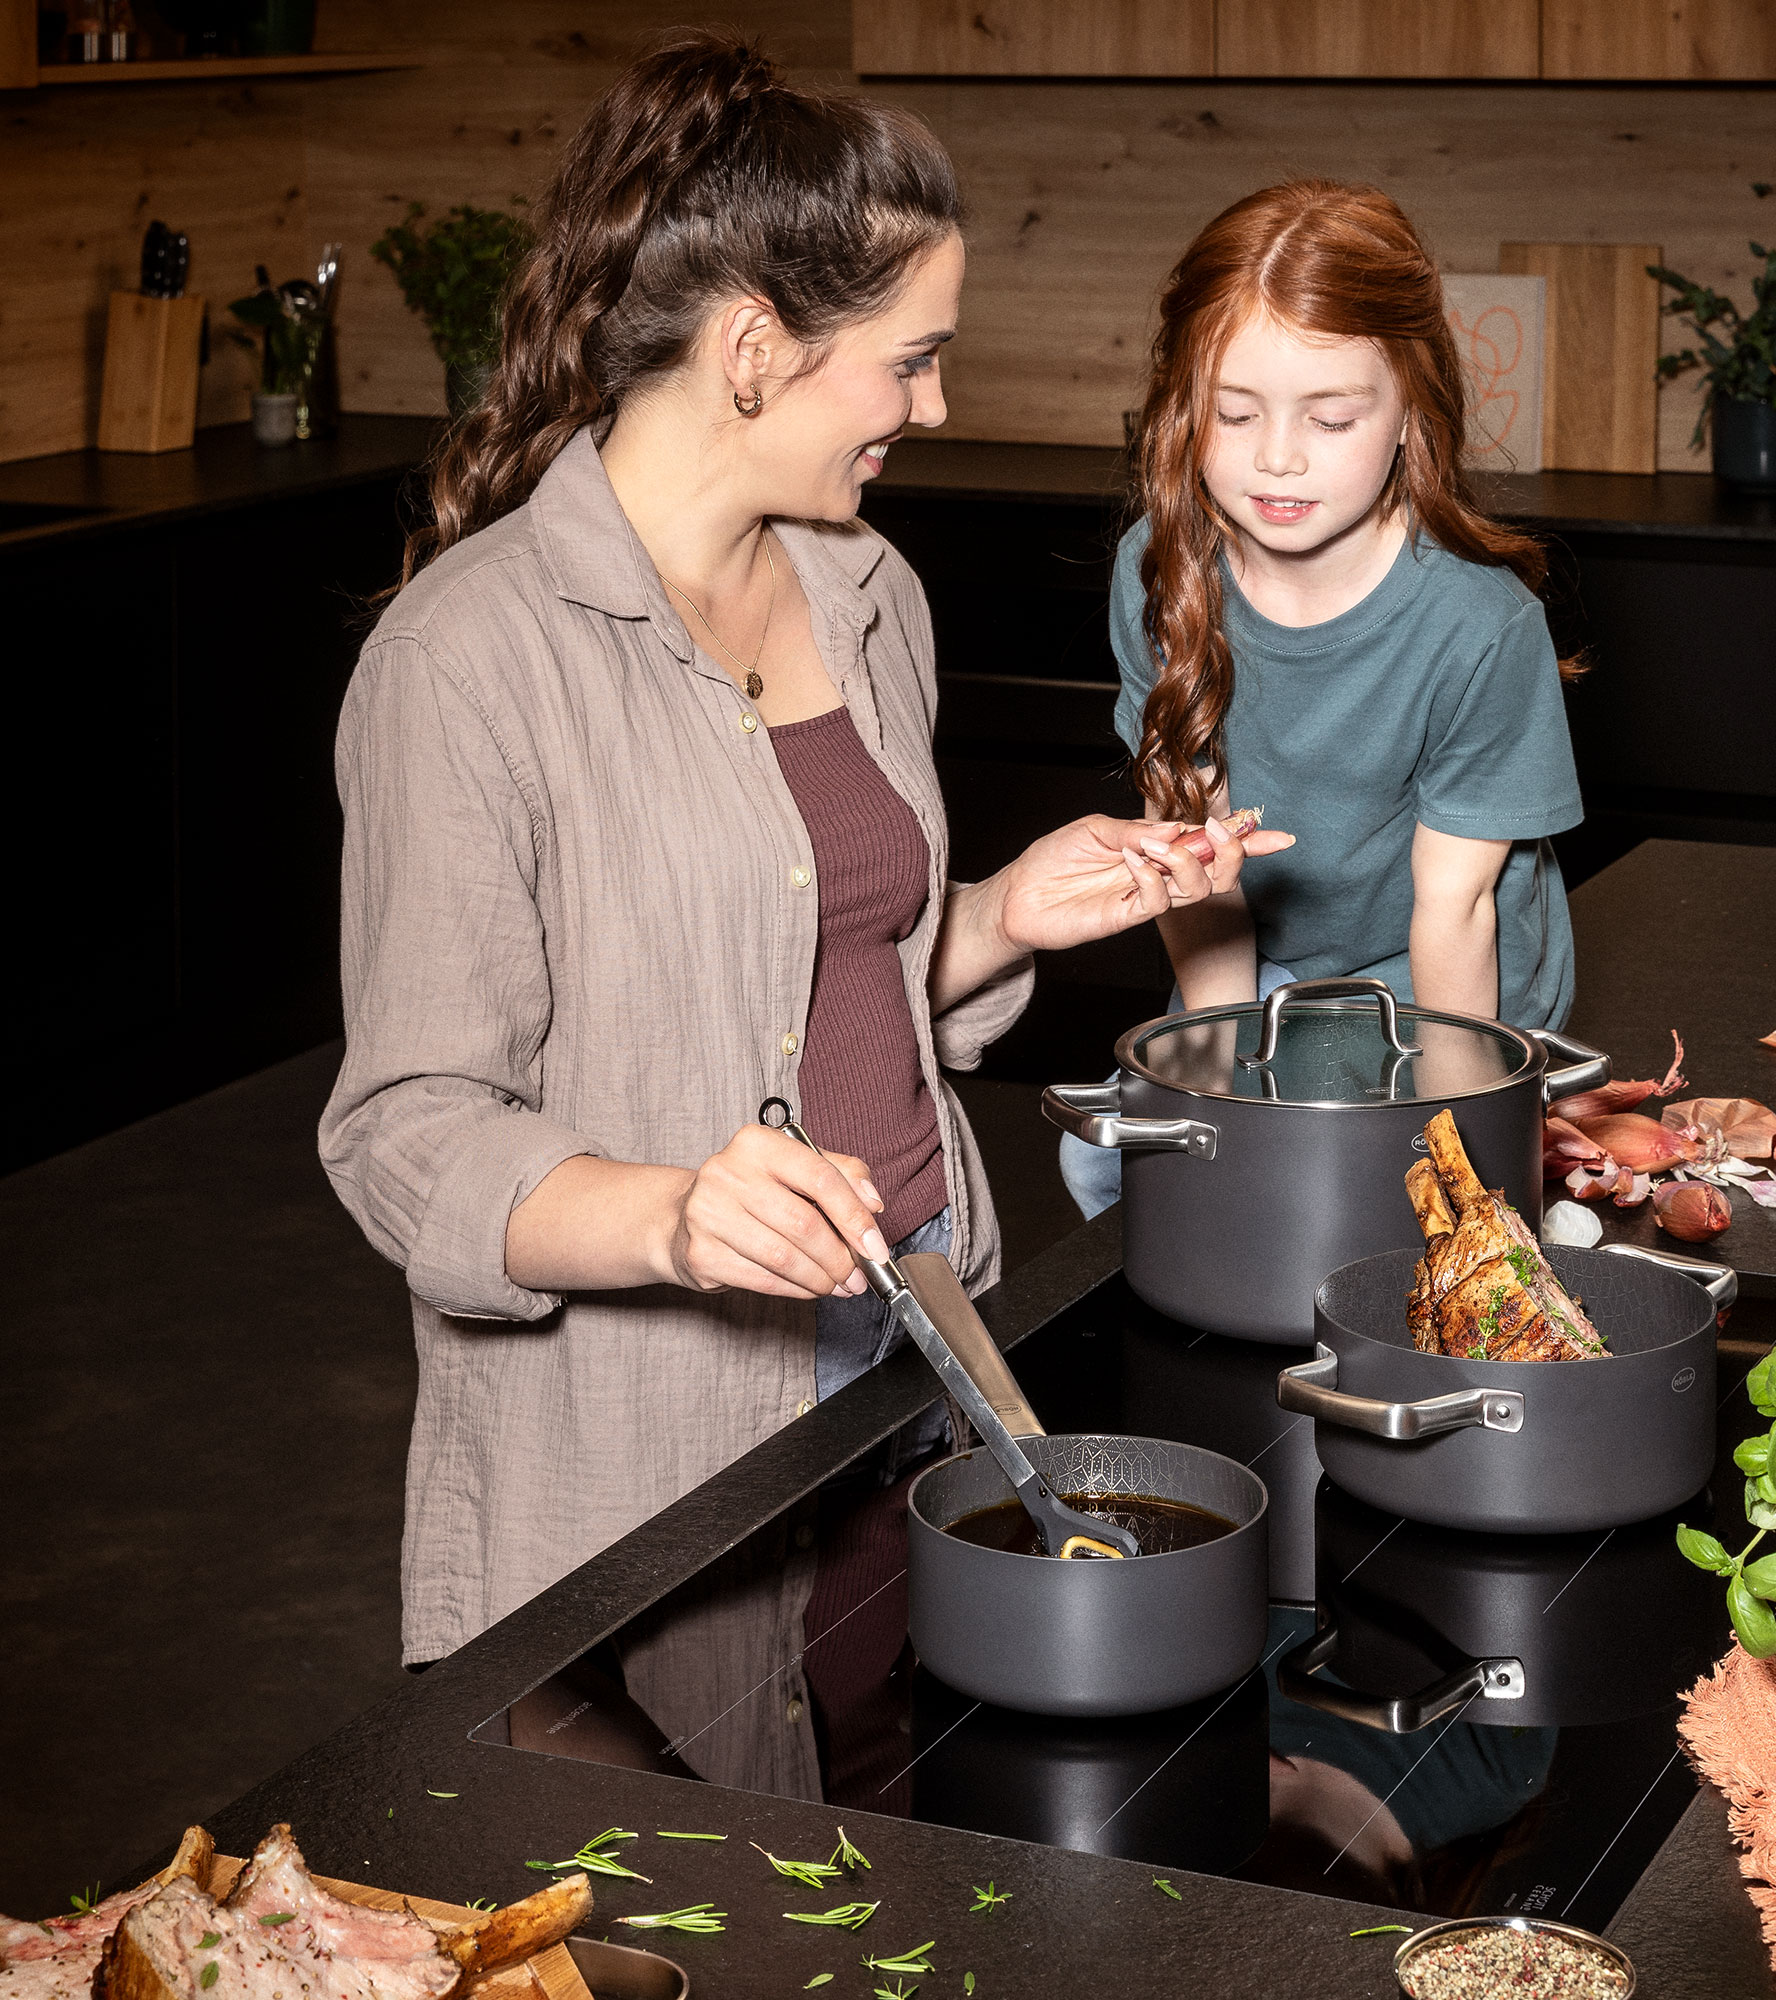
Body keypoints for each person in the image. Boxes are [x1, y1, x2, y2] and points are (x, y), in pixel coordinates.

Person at [317, 33, 1285, 1794]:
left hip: (918, 1373)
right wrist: (681, 1215)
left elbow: (832, 982)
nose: (928, 406)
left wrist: (995, 916)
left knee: (914, 1858)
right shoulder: (464, 662)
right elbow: (404, 1133)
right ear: (755, 352)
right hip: (641, 1463)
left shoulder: (864, 590)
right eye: (907, 362)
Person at [1061, 179, 1584, 1219]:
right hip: (1259, 956)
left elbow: (1455, 905)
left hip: (1438, 976)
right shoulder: (1157, 574)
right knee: (1114, 1172)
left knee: (1402, 1204)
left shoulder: (1477, 624)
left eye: (1331, 415)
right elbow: (1196, 851)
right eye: (1233, 411)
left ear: (1406, 415)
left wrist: (1462, 1138)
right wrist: (1222, 1079)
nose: (1277, 457)